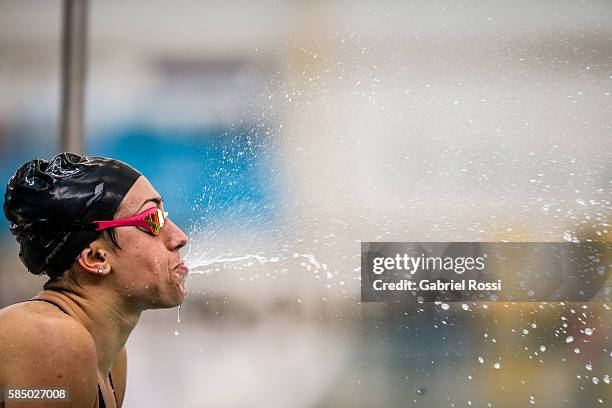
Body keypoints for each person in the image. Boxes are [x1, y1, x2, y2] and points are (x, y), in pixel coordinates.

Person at [0, 152, 189, 408]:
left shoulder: (111, 358)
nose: (179, 237)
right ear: (95, 257)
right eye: (152, 220)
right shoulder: (51, 338)